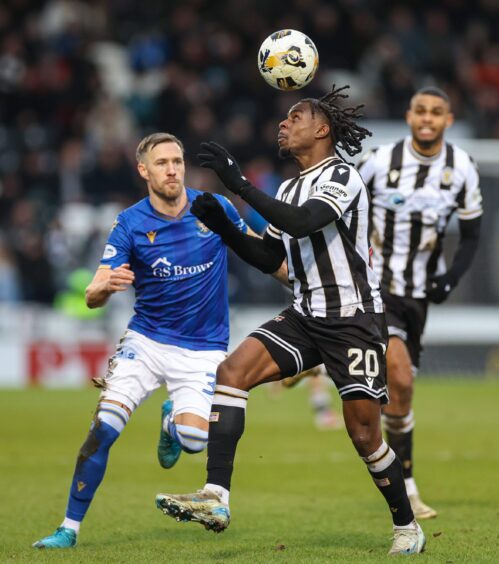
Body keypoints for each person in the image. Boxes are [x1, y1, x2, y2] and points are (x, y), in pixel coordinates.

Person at [156, 86, 426, 555]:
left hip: (352, 319)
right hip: (305, 314)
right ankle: (216, 496)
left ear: (322, 129)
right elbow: (268, 255)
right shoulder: (286, 187)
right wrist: (224, 224)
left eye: (295, 116)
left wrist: (238, 184)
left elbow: (305, 222)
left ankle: (407, 526)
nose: (284, 123)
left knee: (364, 434)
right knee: (232, 373)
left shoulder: (343, 175)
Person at [32, 132, 263, 549]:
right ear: (144, 170)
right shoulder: (130, 223)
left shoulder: (213, 208)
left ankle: (171, 422)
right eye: (162, 163)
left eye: (177, 161)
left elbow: (259, 248)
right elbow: (92, 292)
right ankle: (68, 528)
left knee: (194, 441)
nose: (173, 169)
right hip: (147, 342)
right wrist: (104, 288)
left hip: (204, 348)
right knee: (103, 429)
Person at [356, 87, 482, 519]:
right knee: (402, 379)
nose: (427, 118)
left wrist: (449, 278)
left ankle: (321, 356)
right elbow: (343, 207)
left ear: (448, 119)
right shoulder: (379, 161)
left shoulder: (462, 168)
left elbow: (470, 236)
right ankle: (406, 487)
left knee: (401, 392)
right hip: (374, 287)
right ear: (409, 116)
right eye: (421, 111)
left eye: (437, 112)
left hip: (417, 297)